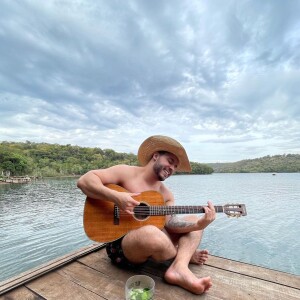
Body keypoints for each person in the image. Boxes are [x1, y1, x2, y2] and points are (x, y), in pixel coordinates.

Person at [77, 135, 216, 294]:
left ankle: (179, 267)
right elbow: (84, 181)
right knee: (151, 233)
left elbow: (171, 224)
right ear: (155, 156)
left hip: (156, 243)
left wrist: (199, 224)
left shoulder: (166, 194)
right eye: (170, 161)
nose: (172, 168)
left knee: (193, 219)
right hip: (122, 247)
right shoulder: (125, 172)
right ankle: (185, 255)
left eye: (175, 166)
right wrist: (116, 197)